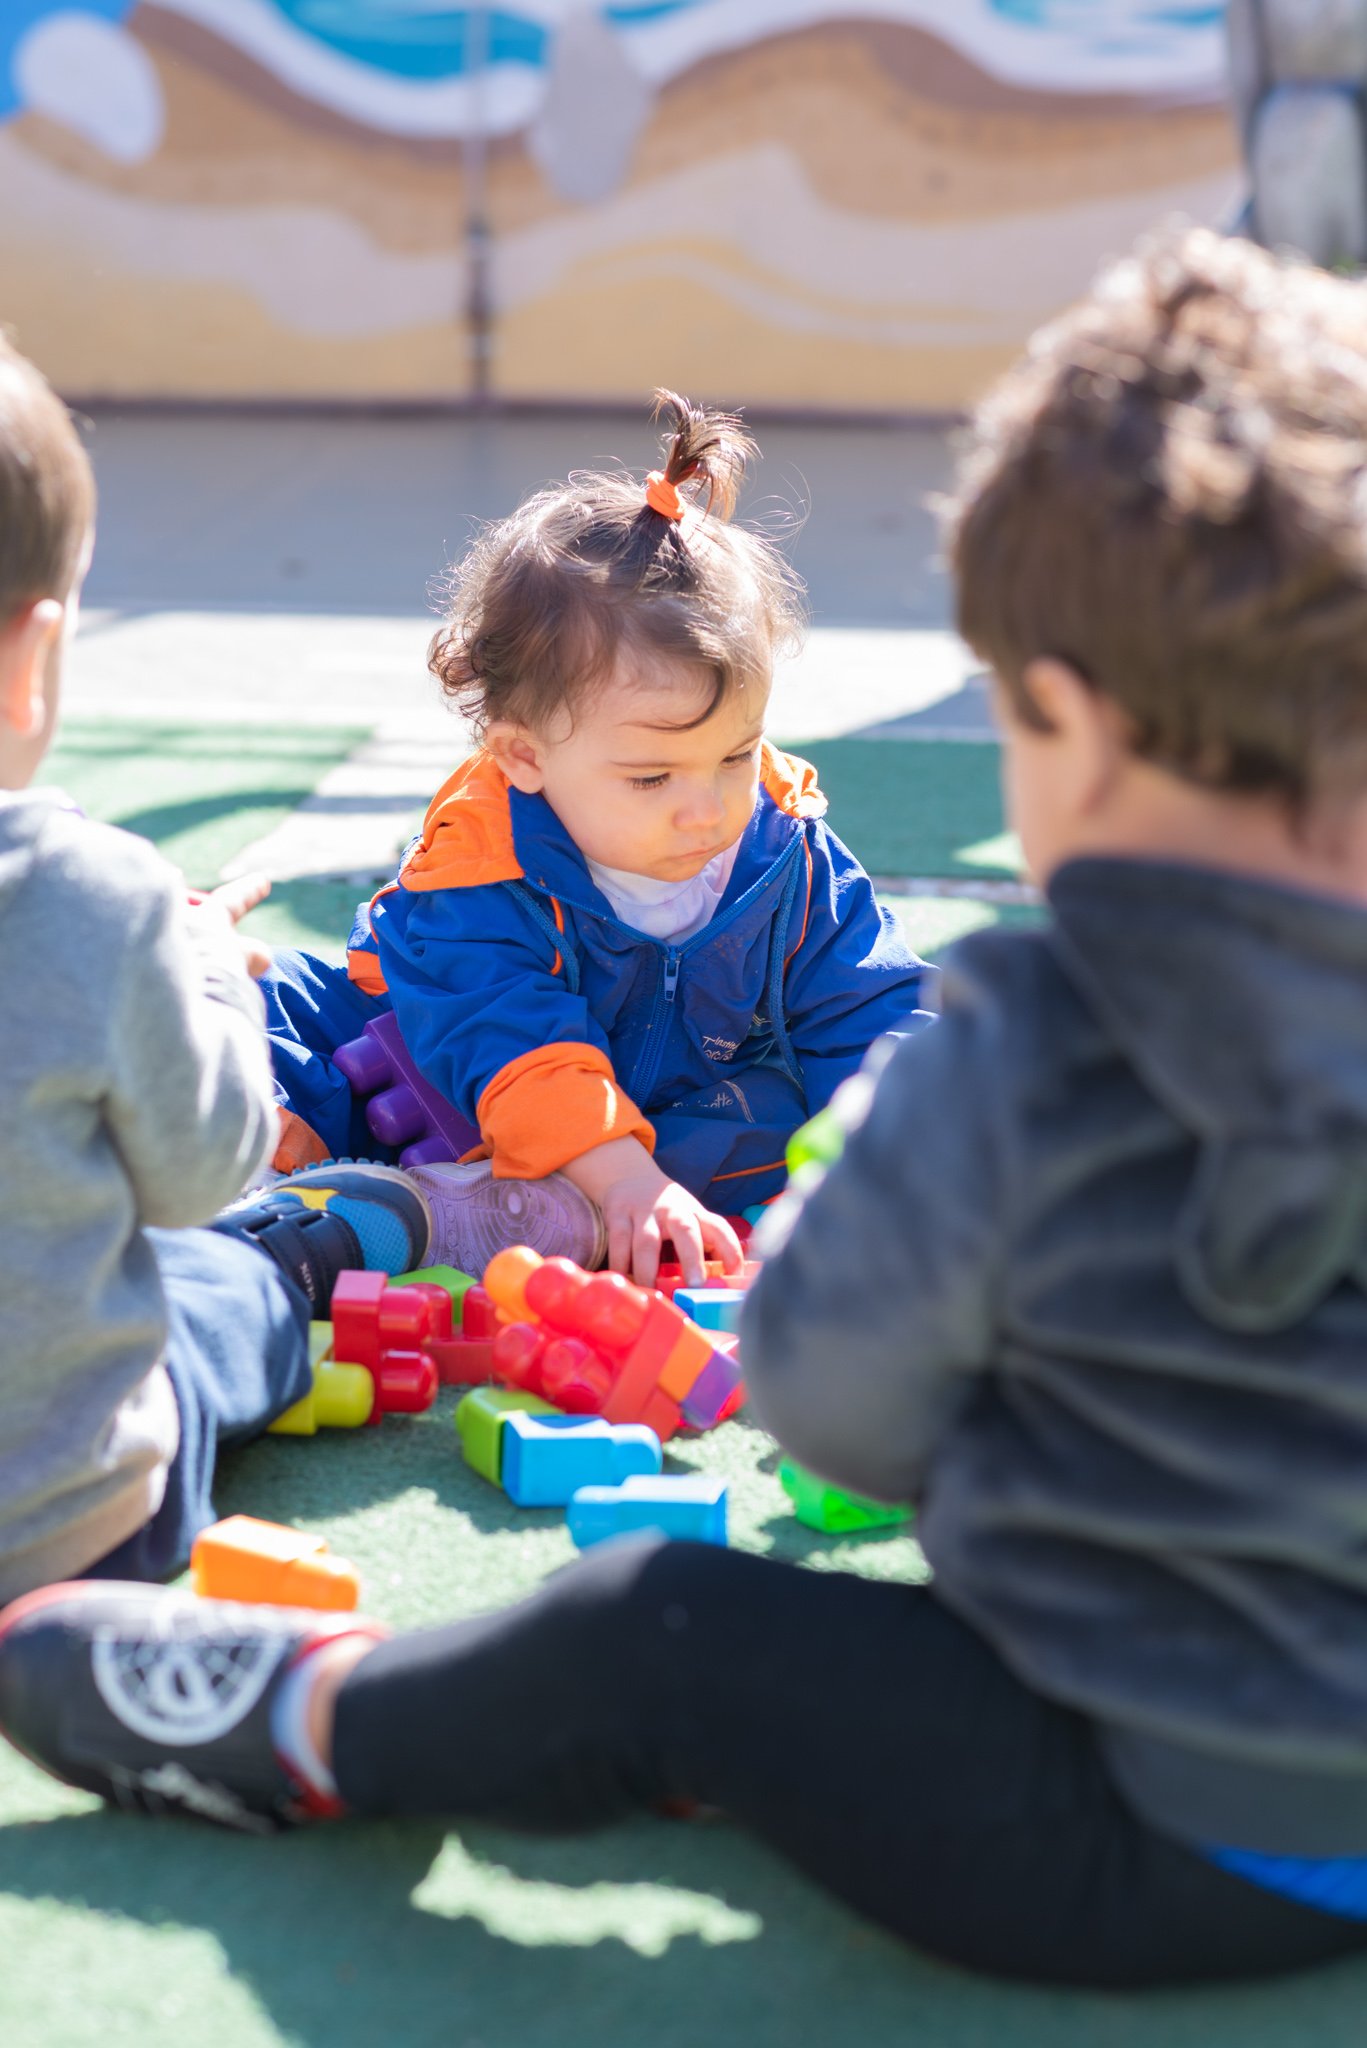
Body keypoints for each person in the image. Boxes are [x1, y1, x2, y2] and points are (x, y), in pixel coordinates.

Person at [12, 226, 1367, 1990]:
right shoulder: (480, 867)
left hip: (1117, 1839)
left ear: (1068, 729)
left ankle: (305, 1720)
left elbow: (827, 1401)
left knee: (657, 1637)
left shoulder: (1016, 1048)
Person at [0, 337, 491, 1605]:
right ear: (30, 656)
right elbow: (199, 1166)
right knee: (213, 1276)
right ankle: (304, 1253)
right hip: (67, 1532)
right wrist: (204, 969)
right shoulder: (87, 894)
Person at [260, 393, 928, 1287]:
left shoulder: (787, 855)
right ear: (522, 755)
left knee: (785, 1112)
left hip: (652, 1124)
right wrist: (622, 1175)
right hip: (416, 1083)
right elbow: (510, 1037)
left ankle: (506, 1213)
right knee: (266, 1028)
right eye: (652, 778)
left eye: (735, 753)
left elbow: (875, 1010)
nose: (706, 810)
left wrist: (900, 1168)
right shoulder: (478, 867)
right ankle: (289, 1181)